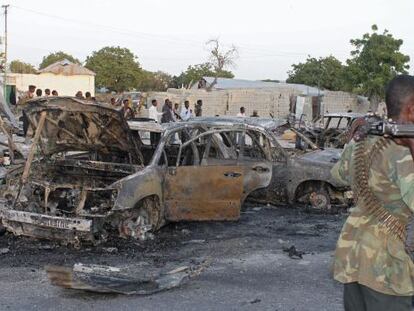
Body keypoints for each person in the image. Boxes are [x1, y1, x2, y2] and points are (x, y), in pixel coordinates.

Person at [331, 74, 414, 311]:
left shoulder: (366, 139)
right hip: (385, 265)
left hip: (354, 253)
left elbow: (337, 174)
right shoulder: (403, 151)